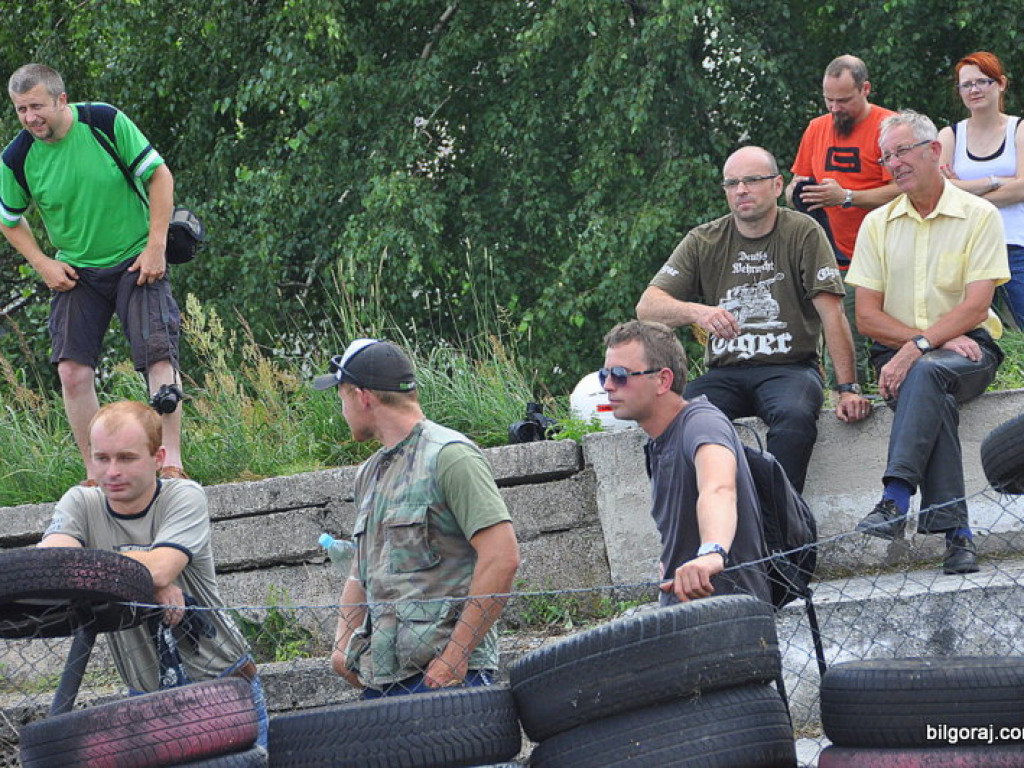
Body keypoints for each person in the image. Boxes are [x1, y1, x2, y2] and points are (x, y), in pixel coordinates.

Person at [636, 146, 871, 495]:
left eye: (752, 180)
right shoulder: (705, 239)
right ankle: (691, 519)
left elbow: (832, 313)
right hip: (725, 372)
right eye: (732, 183)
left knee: (794, 416)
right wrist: (700, 312)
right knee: (674, 419)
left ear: (777, 185)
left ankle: (779, 519)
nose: (741, 190)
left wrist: (847, 388)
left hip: (790, 368)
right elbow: (647, 307)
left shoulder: (803, 232)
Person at [37, 401, 267, 747]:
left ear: (158, 458)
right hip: (144, 697)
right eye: (102, 458)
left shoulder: (183, 496)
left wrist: (127, 577)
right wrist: (145, 584)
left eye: (126, 458)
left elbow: (160, 569)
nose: (112, 471)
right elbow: (51, 565)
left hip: (220, 684)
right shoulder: (80, 502)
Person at [0, 63, 186, 484]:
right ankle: (96, 473)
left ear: (61, 100)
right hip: (75, 270)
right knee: (71, 371)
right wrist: (42, 262)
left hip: (135, 259)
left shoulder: (104, 121)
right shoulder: (16, 157)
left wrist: (156, 245)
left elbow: (159, 176)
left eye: (37, 106)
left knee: (158, 357)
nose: (30, 118)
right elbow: (9, 219)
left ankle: (170, 462)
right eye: (20, 109)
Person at [848, 110, 1009, 575]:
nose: (893, 163)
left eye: (902, 151)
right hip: (905, 355)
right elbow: (866, 316)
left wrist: (917, 347)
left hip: (970, 350)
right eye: (886, 156)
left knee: (928, 370)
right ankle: (957, 536)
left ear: (934, 151)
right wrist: (923, 343)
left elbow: (977, 306)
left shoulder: (978, 215)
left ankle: (896, 497)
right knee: (932, 384)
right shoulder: (876, 224)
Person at [317, 339, 520, 697]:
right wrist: (341, 650)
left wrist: (456, 656)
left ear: (362, 397)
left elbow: (502, 557)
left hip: (449, 679)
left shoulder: (451, 457)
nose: (342, 410)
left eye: (342, 397)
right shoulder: (368, 473)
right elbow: (360, 572)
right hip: (381, 679)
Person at [602, 320, 770, 605]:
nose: (608, 385)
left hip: (730, 617)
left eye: (620, 375)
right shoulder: (659, 440)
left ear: (662, 380)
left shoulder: (702, 424)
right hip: (690, 615)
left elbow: (719, 488)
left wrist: (711, 553)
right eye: (604, 375)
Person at [787, 55, 900, 385]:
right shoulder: (816, 128)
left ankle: (885, 392)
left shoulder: (889, 127)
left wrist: (847, 196)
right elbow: (797, 182)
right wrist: (798, 192)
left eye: (844, 100)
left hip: (885, 252)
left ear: (865, 89)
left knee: (884, 334)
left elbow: (905, 189)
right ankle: (848, 394)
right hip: (833, 255)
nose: (835, 108)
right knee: (842, 335)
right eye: (829, 100)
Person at [938, 51, 1024, 331]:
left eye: (982, 82)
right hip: (966, 247)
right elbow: (942, 191)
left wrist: (963, 190)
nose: (974, 90)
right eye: (966, 84)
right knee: (975, 331)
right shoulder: (950, 136)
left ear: (1001, 83)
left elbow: (1022, 188)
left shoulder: (1019, 129)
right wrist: (996, 180)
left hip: (1014, 244)